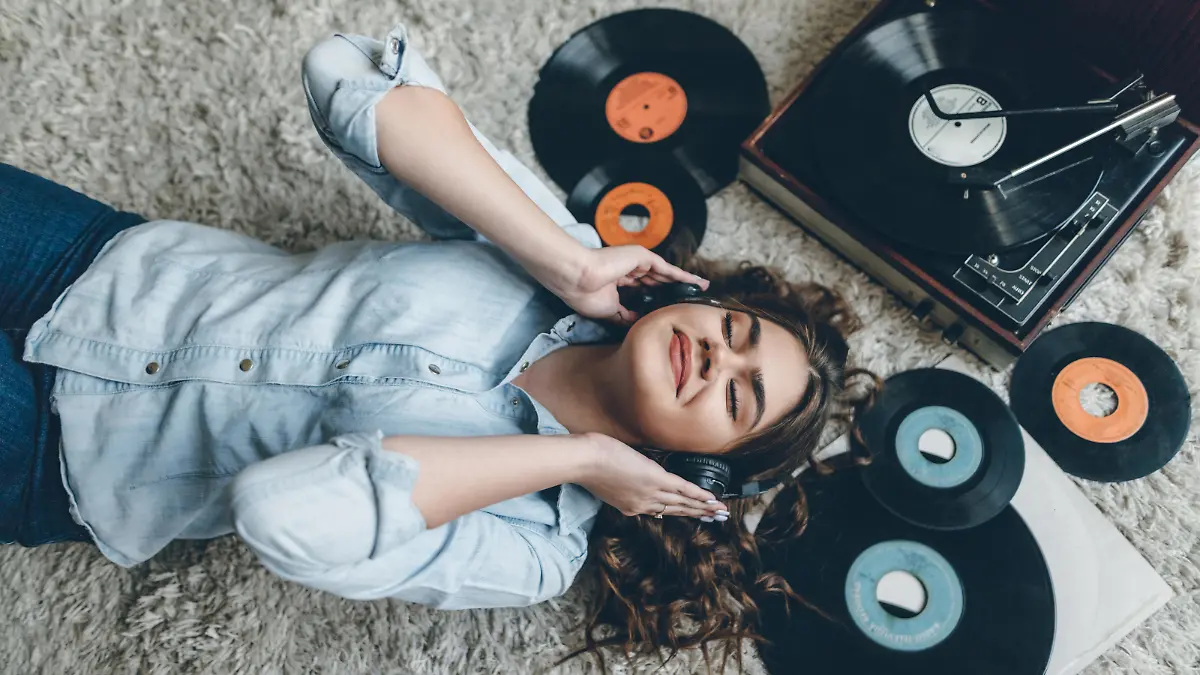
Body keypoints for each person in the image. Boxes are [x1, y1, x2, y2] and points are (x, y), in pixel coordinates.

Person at [1, 21, 870, 671]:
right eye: (735, 330)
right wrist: (564, 261)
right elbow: (343, 74)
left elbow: (276, 513)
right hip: (101, 263)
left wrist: (581, 456)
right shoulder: (557, 252)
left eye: (738, 396)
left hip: (61, 459)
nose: (720, 356)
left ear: (696, 473)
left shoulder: (532, 550)